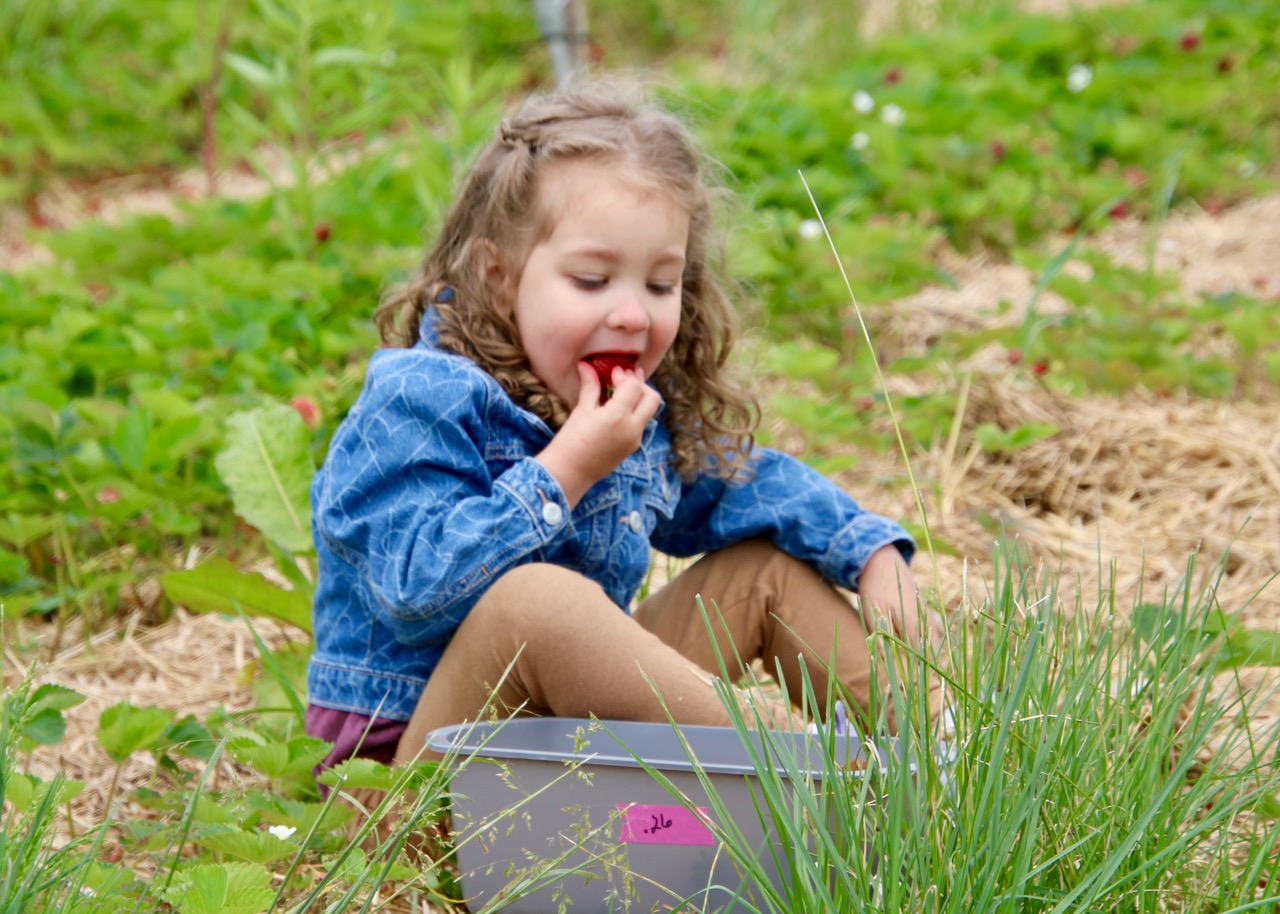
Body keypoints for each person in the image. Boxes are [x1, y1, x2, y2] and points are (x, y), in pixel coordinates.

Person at [303, 81, 942, 776]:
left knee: (760, 574)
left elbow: (746, 486)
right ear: (497, 276)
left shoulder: (619, 406)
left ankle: (949, 770)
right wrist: (567, 469)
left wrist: (872, 553)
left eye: (660, 285)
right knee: (535, 604)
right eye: (591, 280)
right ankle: (824, 785)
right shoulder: (419, 402)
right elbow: (413, 593)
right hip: (419, 786)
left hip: (568, 761)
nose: (633, 315)